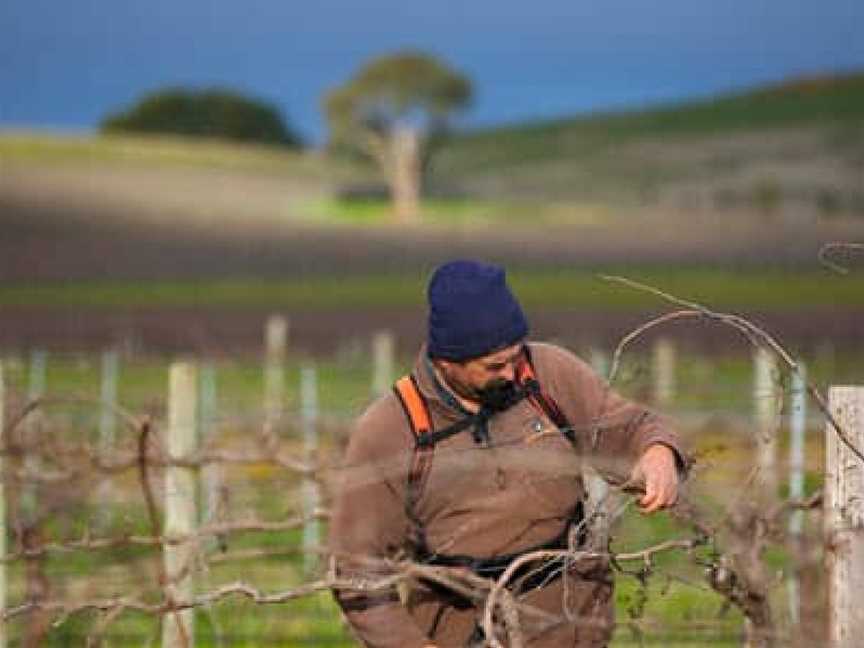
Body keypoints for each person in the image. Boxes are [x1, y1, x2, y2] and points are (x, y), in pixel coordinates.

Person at [329, 260, 688, 648]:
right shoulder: (390, 430)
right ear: (447, 362)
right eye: (495, 365)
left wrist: (658, 453)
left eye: (517, 357)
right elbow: (355, 570)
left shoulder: (548, 375)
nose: (514, 373)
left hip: (571, 620)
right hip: (457, 628)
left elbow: (628, 427)